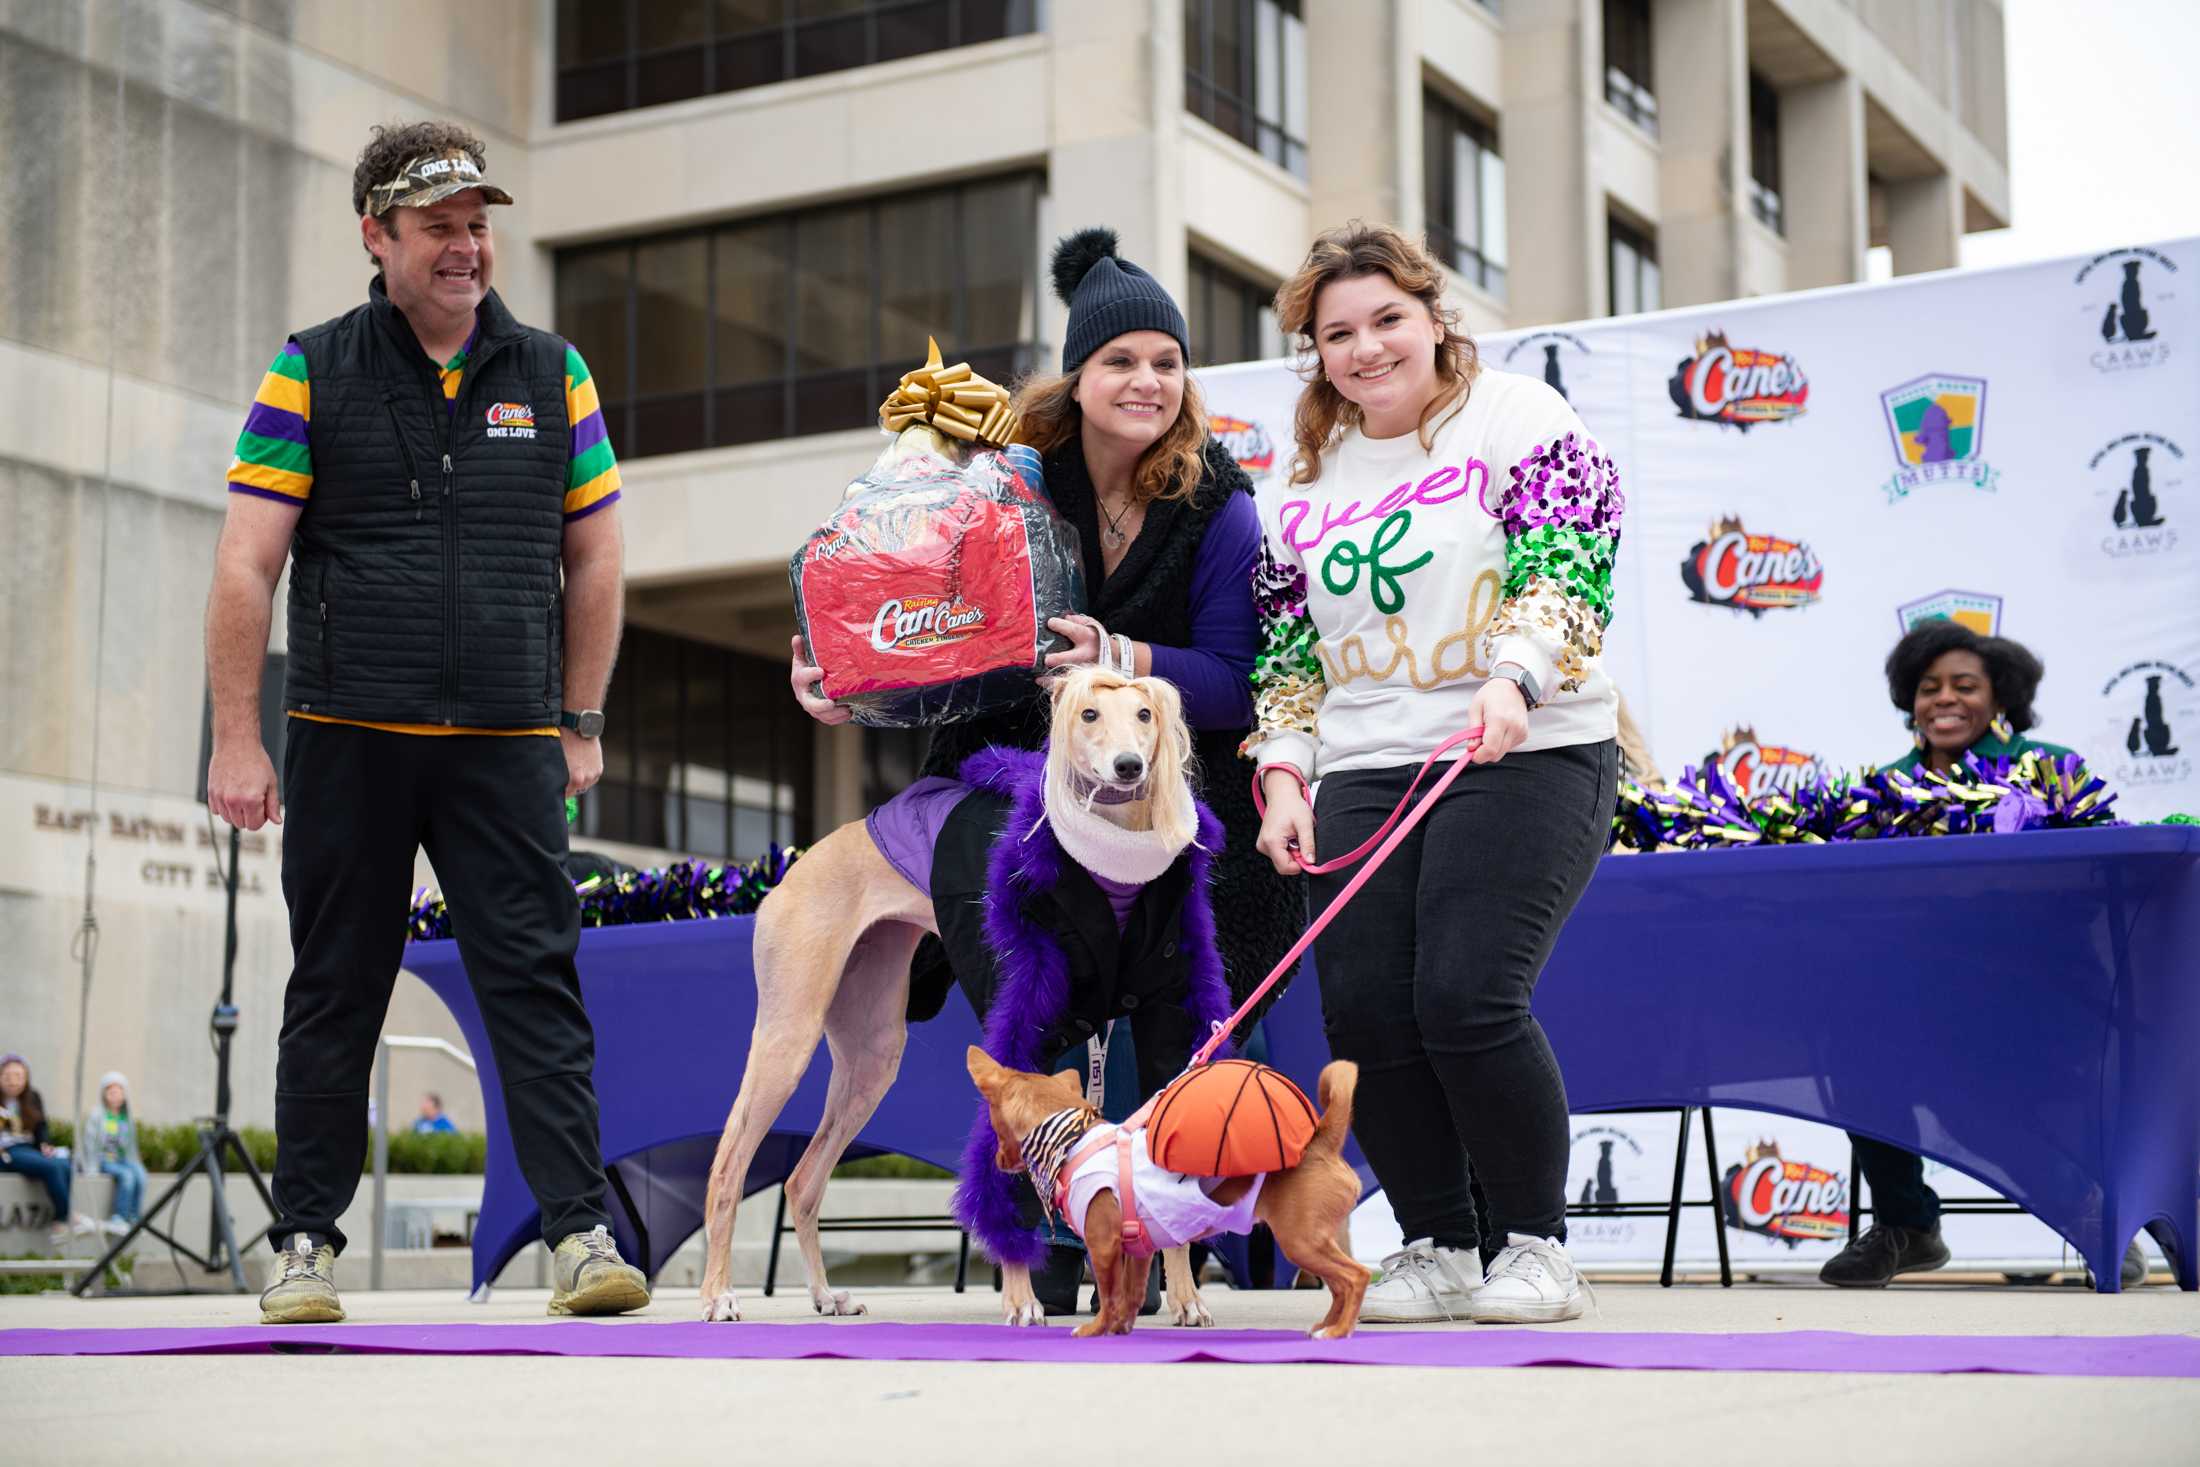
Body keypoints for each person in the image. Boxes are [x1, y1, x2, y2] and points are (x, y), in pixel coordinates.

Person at [789, 227, 1304, 1312]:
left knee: (1200, 963)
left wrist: (1121, 660)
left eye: (1167, 361)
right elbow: (917, 628)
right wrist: (844, 678)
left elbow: (1234, 680)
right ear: (1077, 376)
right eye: (1120, 360)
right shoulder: (998, 479)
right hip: (1007, 765)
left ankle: (1162, 1225)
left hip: (1166, 781)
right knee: (1019, 946)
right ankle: (1051, 1233)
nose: (1147, 380)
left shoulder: (1217, 501)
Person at [204, 120, 647, 1325]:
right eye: (439, 226)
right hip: (348, 730)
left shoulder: (554, 374)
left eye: (477, 224)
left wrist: (582, 717)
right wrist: (238, 740)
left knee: (535, 982)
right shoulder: (310, 367)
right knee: (336, 986)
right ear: (377, 236)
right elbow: (248, 565)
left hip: (506, 741)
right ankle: (302, 1244)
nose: (466, 247)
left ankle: (578, 1236)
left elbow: (597, 556)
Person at [1246, 223, 1623, 1324]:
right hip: (1366, 760)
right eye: (1338, 335)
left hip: (1523, 745)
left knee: (1465, 995)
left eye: (1385, 321)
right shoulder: (1299, 480)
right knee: (1364, 1014)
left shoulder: (1518, 419)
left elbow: (1568, 558)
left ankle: (1536, 1247)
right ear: (1315, 353)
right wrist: (1281, 776)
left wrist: (1515, 675)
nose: (1365, 350)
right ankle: (1438, 1243)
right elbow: (1285, 651)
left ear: (1431, 316)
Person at [1820, 620, 2148, 1289]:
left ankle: (2088, 1211)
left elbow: (2094, 884)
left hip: (2043, 998)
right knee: (1851, 1046)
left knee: (1965, 1091)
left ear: (2000, 699)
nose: (1944, 698)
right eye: (1928, 687)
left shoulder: (2049, 770)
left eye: (1964, 686)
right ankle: (1907, 1223)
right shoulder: (1884, 789)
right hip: (1919, 999)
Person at [0, 1055, 93, 1244]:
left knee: (64, 1164)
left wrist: (45, 1144)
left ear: (26, 1078)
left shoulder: (32, 1098)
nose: (13, 1081)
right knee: (51, 1167)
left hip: (28, 1149)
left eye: (18, 1076)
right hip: (7, 1152)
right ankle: (65, 1218)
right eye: (8, 1076)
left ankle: (61, 1225)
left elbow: (41, 1127)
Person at [82, 1072, 149, 1233]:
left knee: (140, 1174)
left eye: (119, 1091)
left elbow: (131, 1144)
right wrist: (90, 1166)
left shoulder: (126, 1117)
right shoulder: (97, 1115)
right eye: (110, 1092)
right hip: (104, 1159)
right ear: (104, 1094)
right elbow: (90, 1142)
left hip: (122, 1158)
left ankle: (134, 1215)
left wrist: (136, 1162)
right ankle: (119, 1216)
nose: (115, 1096)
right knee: (127, 1176)